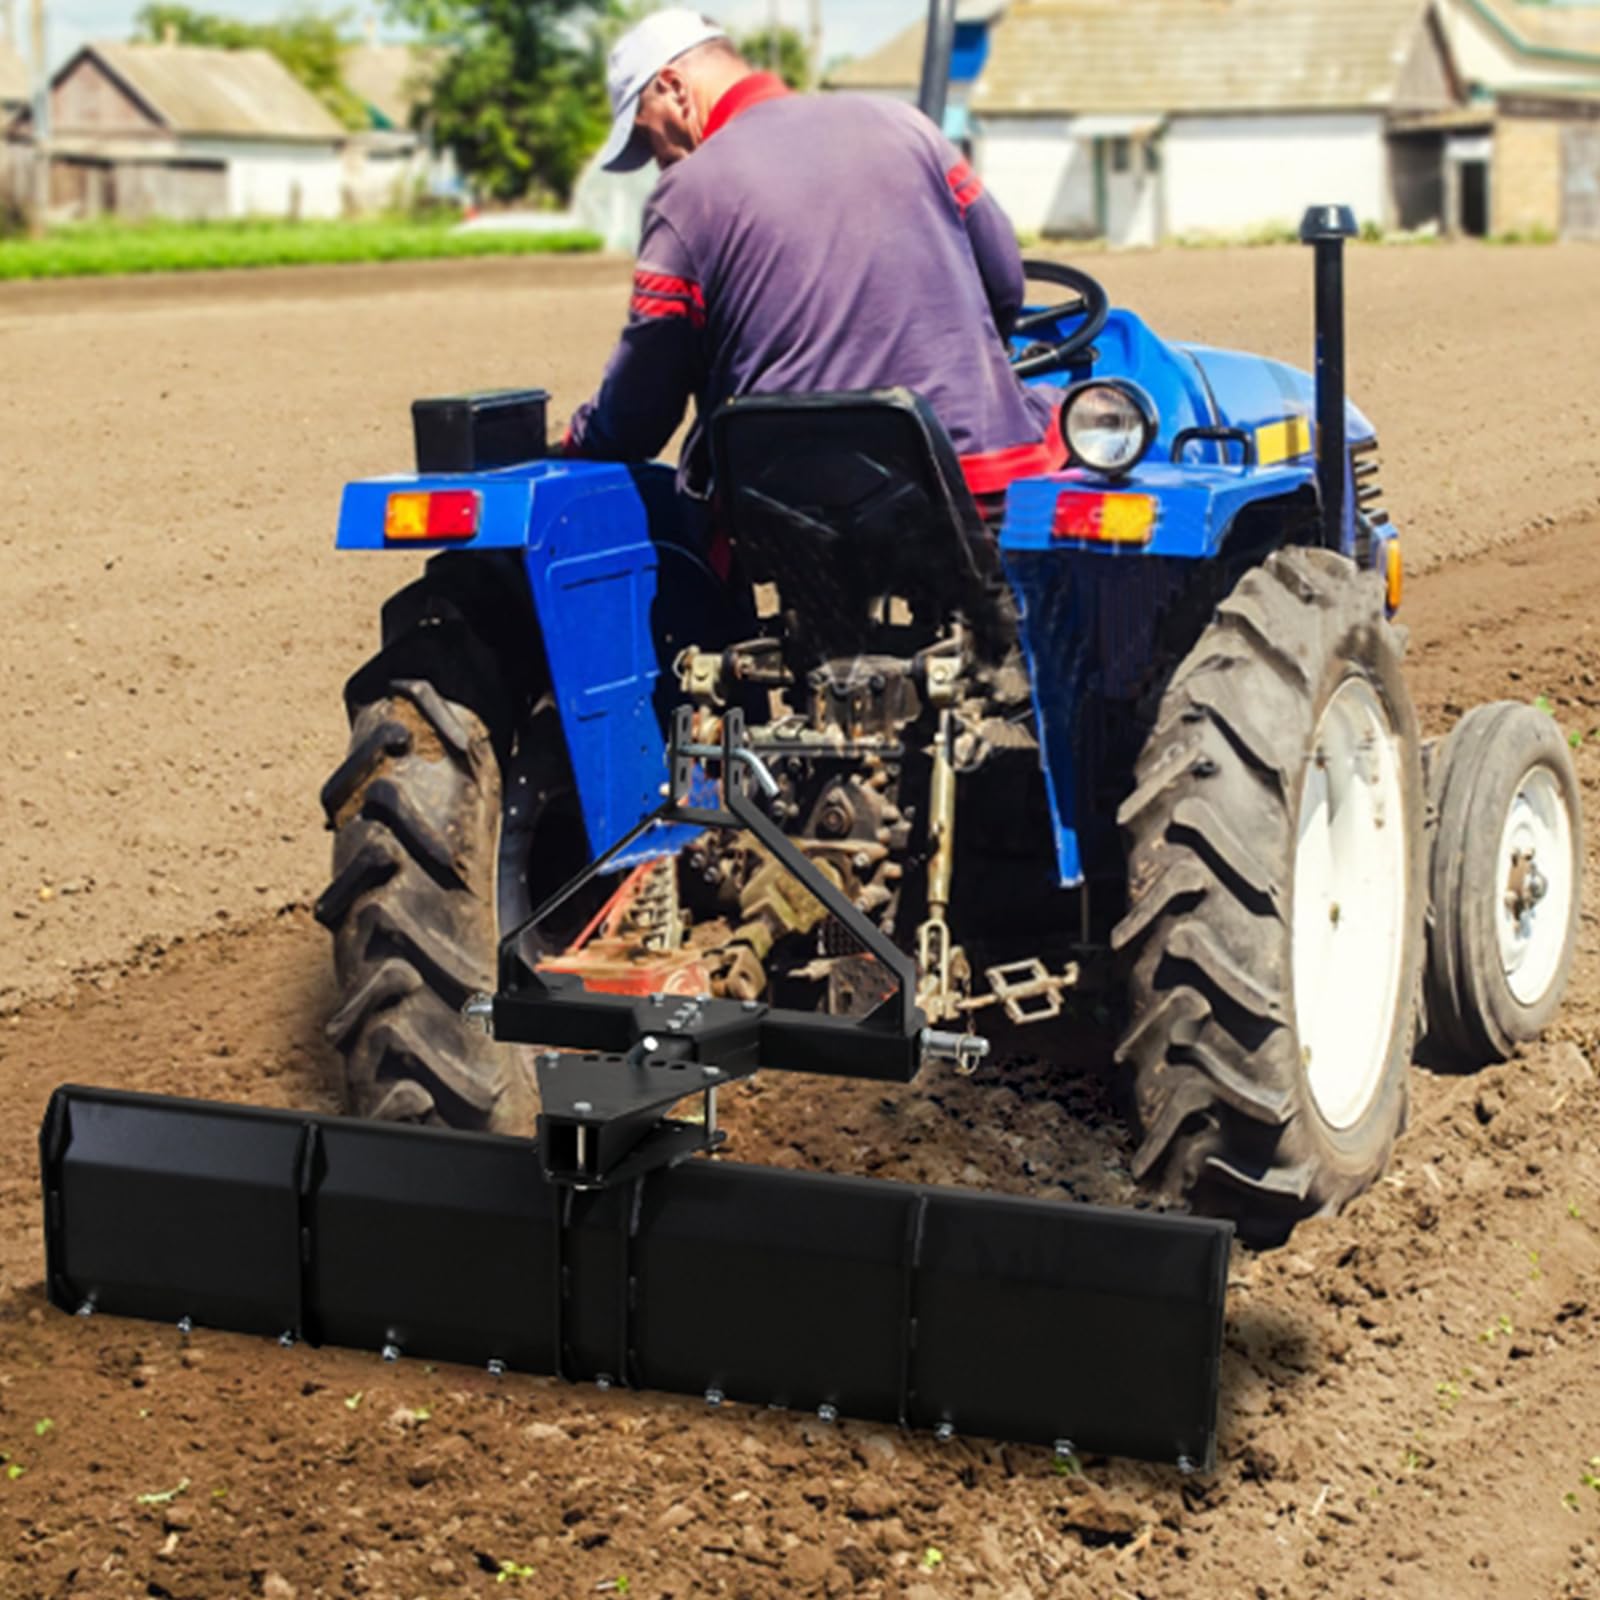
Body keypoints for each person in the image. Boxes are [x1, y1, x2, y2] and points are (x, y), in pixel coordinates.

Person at [563, 8, 1062, 504]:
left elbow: (645, 397)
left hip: (793, 506)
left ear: (673, 86)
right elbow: (1004, 283)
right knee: (1095, 408)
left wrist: (582, 438)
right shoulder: (908, 127)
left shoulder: (687, 194)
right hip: (968, 476)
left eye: (648, 137)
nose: (659, 160)